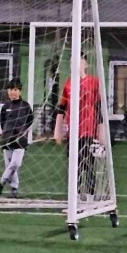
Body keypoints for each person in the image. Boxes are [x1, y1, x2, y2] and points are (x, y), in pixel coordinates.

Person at [54, 53, 104, 200]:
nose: (75, 64)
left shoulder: (94, 82)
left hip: (89, 130)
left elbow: (99, 108)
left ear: (86, 64)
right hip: (72, 131)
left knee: (88, 164)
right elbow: (61, 108)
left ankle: (89, 197)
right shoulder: (68, 83)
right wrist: (58, 131)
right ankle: (73, 198)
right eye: (72, 62)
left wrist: (102, 131)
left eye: (79, 61)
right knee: (73, 166)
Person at [0, 78, 33, 199]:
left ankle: (1, 183)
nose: (12, 92)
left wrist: (21, 132)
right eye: (10, 89)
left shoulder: (25, 106)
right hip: (7, 140)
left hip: (20, 141)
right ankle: (14, 188)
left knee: (16, 163)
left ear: (20, 91)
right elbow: (2, 122)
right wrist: (7, 134)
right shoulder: (5, 106)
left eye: (15, 89)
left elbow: (30, 121)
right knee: (9, 167)